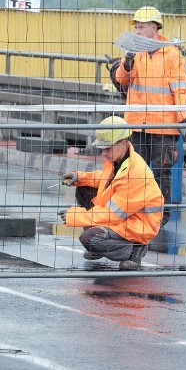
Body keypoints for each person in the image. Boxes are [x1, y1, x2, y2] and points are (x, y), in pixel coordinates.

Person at [114, 6, 186, 224]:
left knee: (162, 171)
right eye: (136, 27)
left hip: (164, 125)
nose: (138, 31)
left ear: (155, 27)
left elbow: (181, 87)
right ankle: (138, 211)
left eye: (142, 27)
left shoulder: (172, 54)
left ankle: (160, 214)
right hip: (137, 124)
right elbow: (122, 81)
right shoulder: (133, 52)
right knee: (136, 172)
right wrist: (126, 62)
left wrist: (182, 117)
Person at [58, 116, 164, 271]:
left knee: (90, 239)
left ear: (122, 142)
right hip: (126, 216)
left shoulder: (136, 173)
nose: (103, 153)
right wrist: (80, 178)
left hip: (139, 226)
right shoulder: (119, 159)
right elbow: (106, 180)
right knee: (83, 189)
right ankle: (102, 244)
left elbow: (113, 214)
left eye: (107, 148)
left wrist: (74, 215)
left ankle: (136, 248)